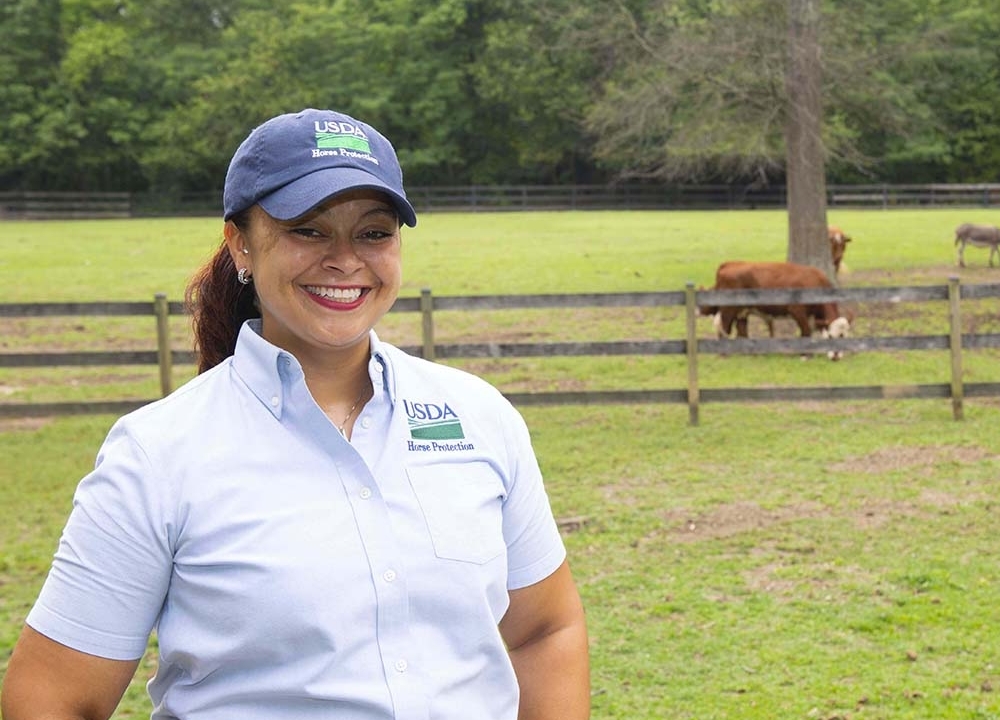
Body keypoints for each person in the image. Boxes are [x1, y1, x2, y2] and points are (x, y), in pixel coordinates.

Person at [1, 109, 590, 720]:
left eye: (373, 232)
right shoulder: (159, 453)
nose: (344, 260)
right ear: (240, 244)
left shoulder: (478, 417)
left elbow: (544, 629)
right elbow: (50, 697)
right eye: (308, 230)